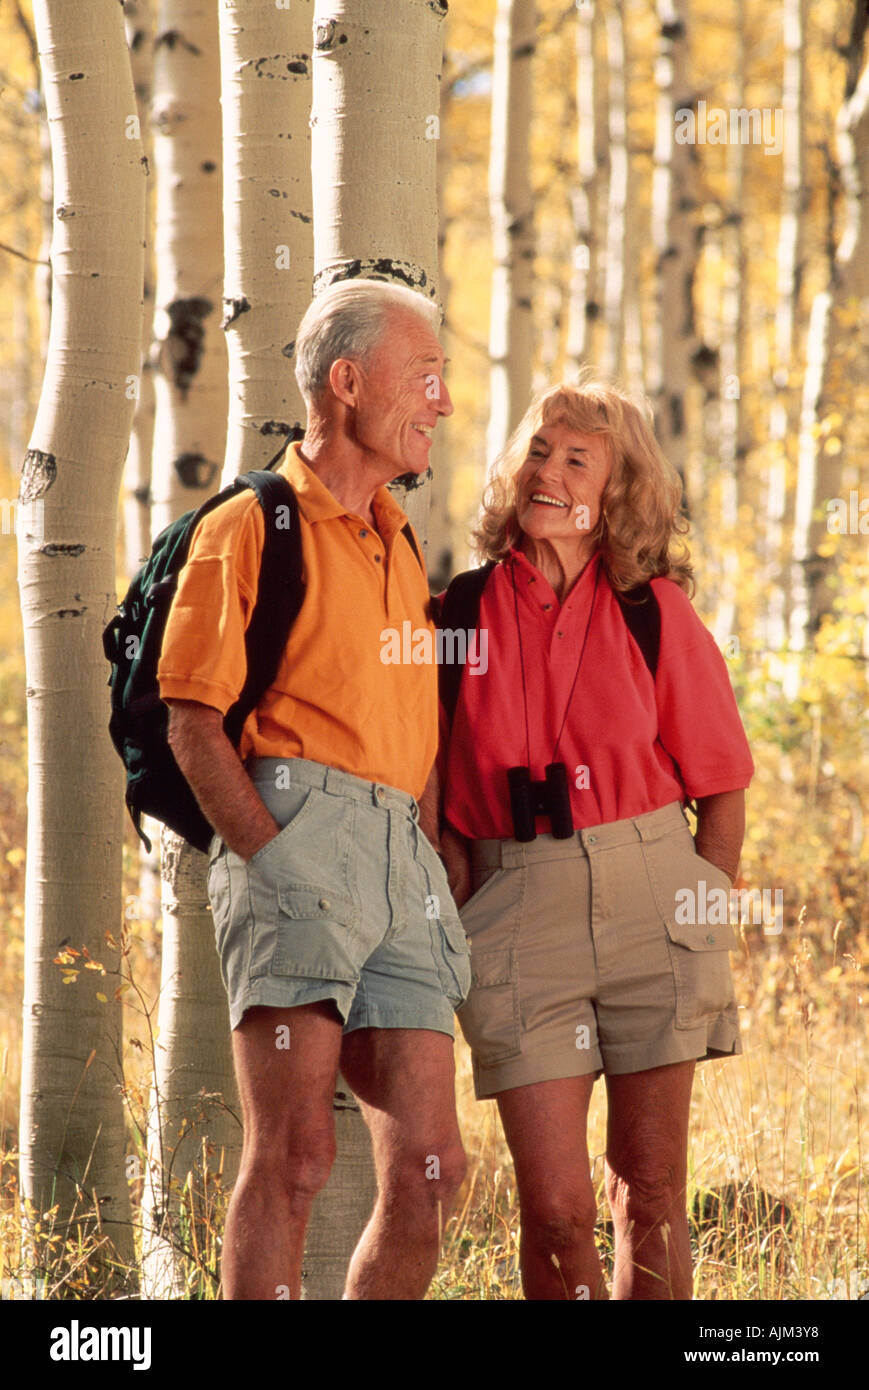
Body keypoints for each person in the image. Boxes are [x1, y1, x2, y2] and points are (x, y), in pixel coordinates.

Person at [157, 279, 471, 1300]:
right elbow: (192, 719)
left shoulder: (398, 533)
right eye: (423, 377)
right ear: (347, 381)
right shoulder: (251, 525)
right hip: (296, 830)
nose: (442, 401)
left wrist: (423, 851)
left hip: (396, 857)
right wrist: (272, 852)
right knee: (293, 1162)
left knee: (432, 1174)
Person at [437, 377, 754, 1300]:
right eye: (538, 450)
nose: (549, 471)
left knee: (647, 1192)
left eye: (578, 459)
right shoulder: (455, 616)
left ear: (616, 493)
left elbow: (722, 784)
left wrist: (704, 902)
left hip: (653, 897)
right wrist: (465, 891)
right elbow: (424, 777)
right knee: (555, 1211)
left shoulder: (655, 614)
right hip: (513, 906)